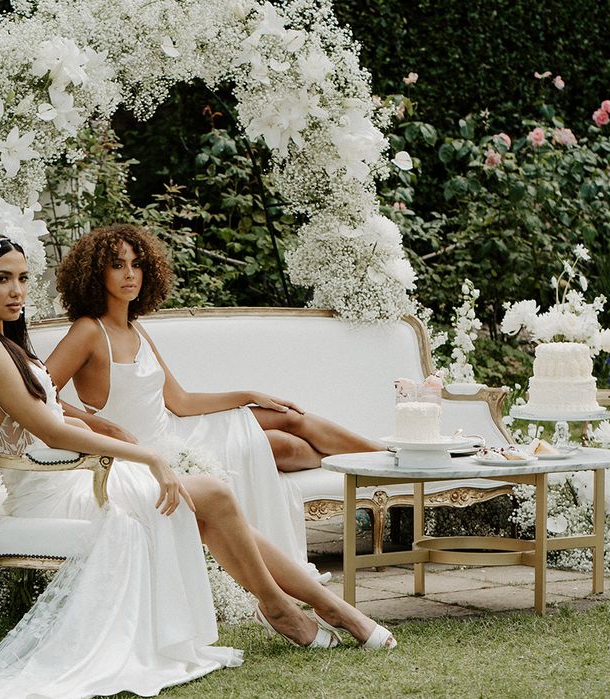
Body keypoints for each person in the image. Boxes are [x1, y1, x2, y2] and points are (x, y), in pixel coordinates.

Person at [0, 234, 396, 699]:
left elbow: (52, 413)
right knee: (213, 497)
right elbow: (47, 429)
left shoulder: (0, 344)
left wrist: (115, 437)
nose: (18, 290)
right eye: (2, 279)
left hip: (66, 473)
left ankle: (310, 609)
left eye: (23, 278)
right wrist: (145, 453)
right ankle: (294, 609)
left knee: (212, 500)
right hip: (54, 488)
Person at [46, 224, 383, 572]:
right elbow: (40, 392)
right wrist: (98, 424)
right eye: (117, 265)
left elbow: (180, 401)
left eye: (136, 264)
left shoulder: (135, 328)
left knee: (288, 417)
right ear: (95, 274)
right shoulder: (88, 331)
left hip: (178, 427)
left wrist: (248, 395)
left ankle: (386, 459)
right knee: (283, 446)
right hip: (150, 450)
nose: (130, 274)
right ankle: (376, 464)